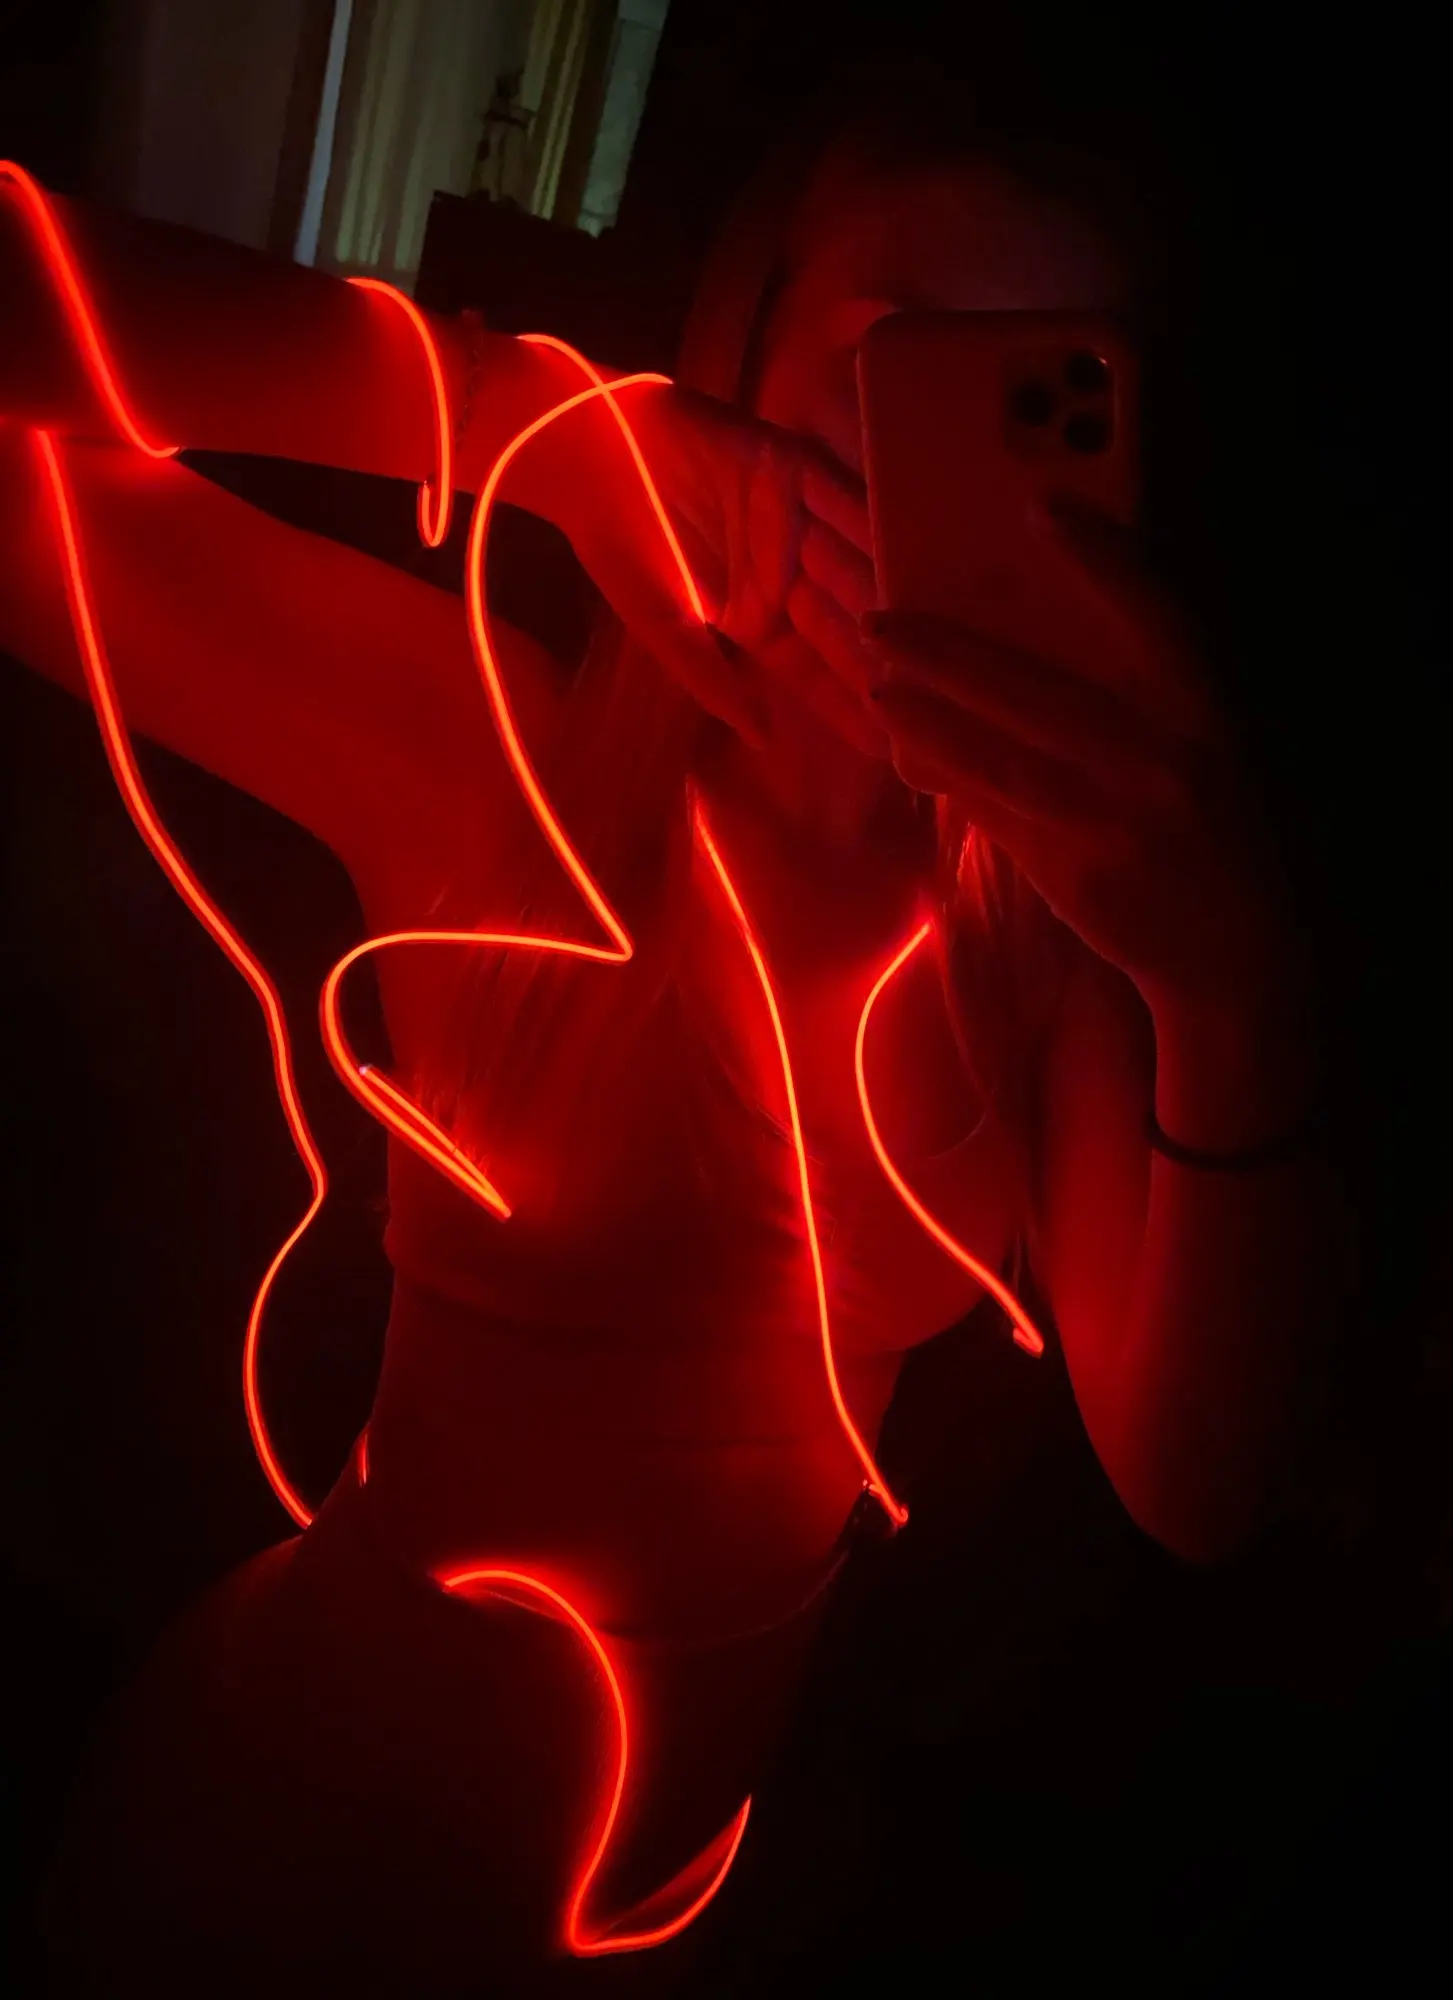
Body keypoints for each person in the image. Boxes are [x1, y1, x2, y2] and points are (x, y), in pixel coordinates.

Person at [0, 48, 1353, 1995]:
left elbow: (1195, 1485)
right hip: (258, 1853)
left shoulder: (1045, 948)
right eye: (891, 369)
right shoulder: (491, 771)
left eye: (1039, 401)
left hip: (656, 1925)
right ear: (740, 356)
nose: (929, 481)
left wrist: (1233, 982)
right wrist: (537, 424)